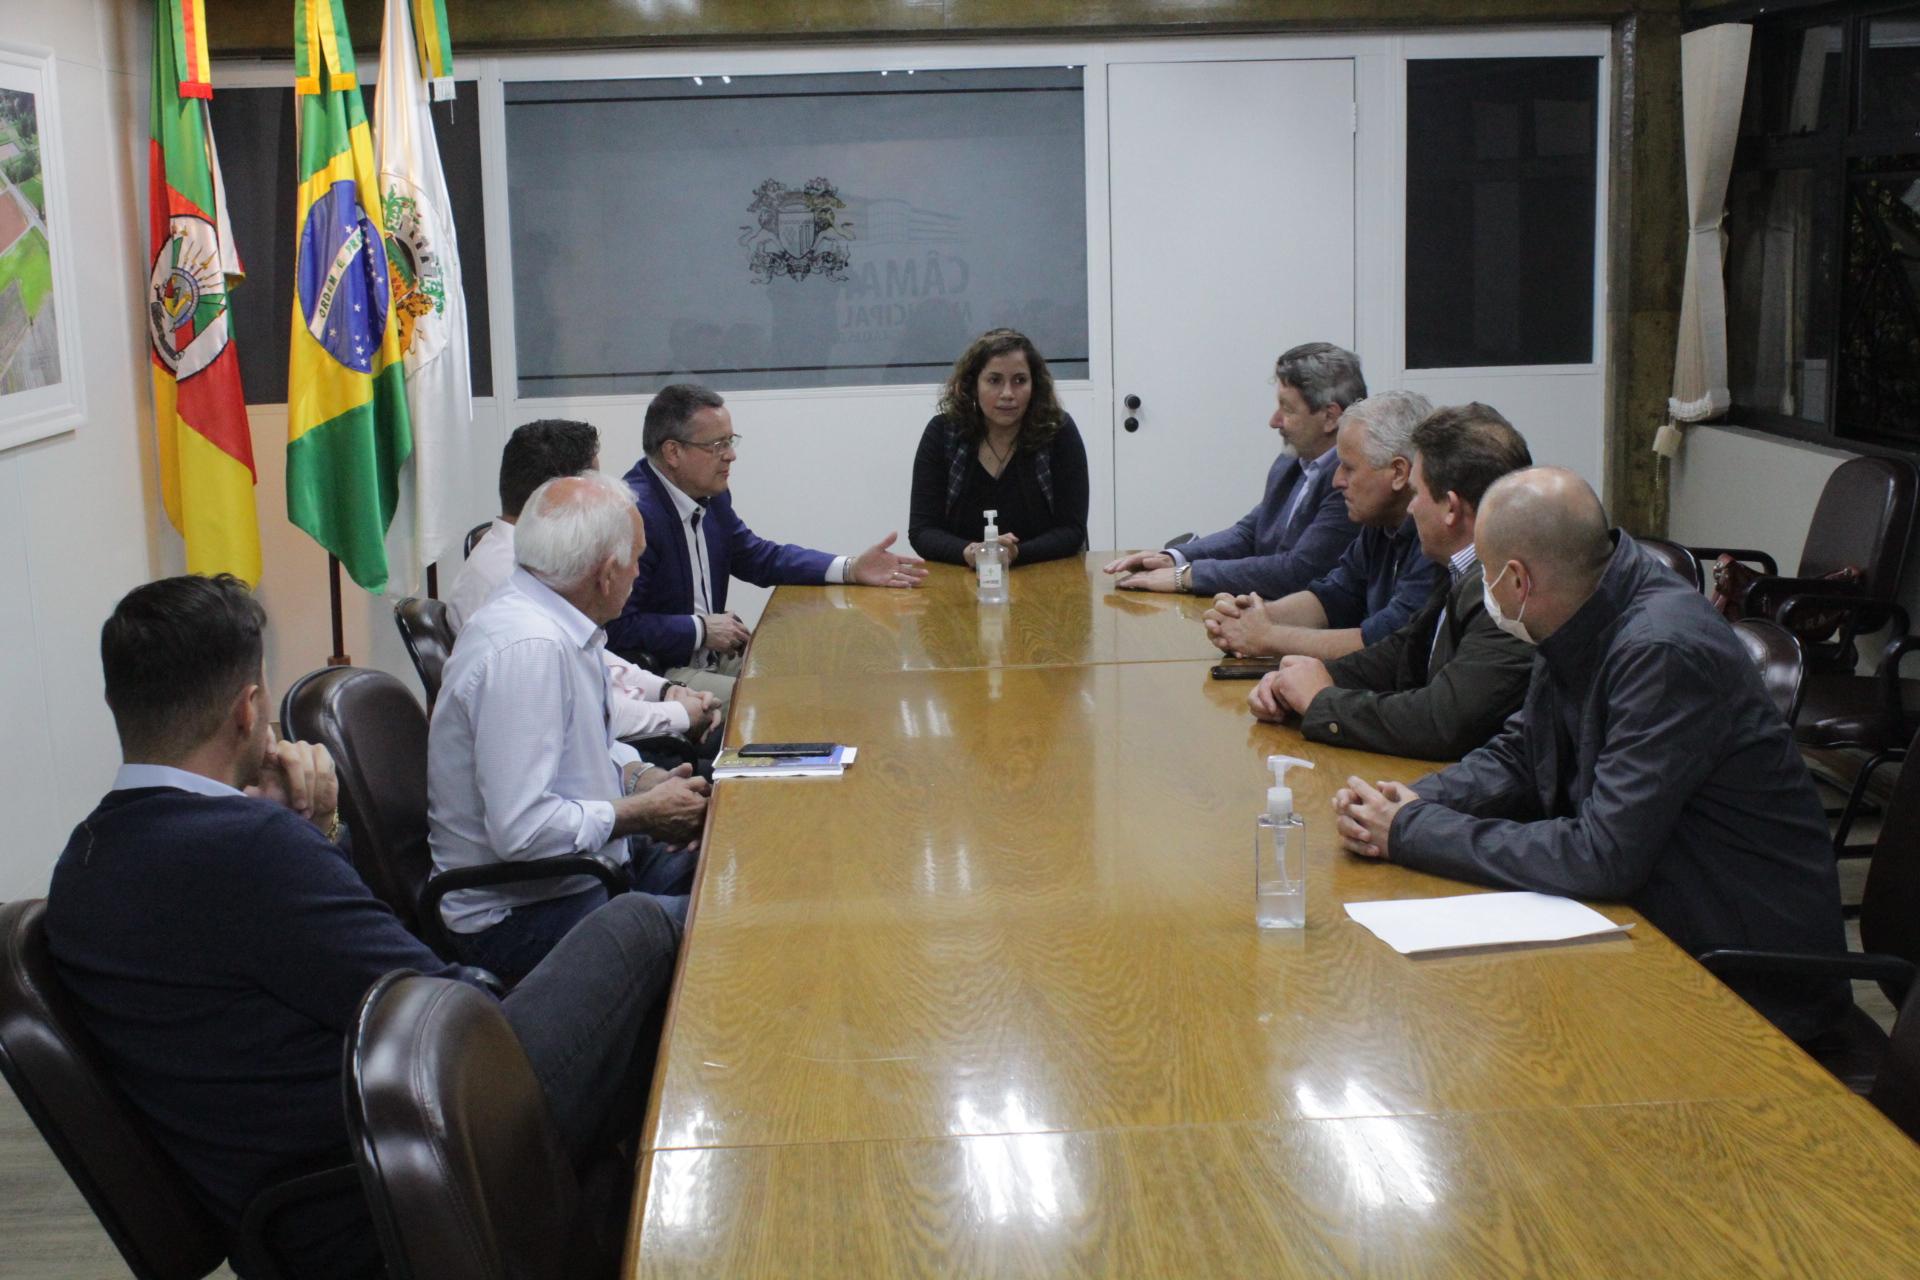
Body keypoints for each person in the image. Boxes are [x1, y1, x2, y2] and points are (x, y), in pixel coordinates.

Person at [46, 574, 680, 1280]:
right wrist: (319, 834)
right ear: (247, 710)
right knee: (641, 923)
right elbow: (441, 1005)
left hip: (305, 1197)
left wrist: (309, 837)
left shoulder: (81, 866)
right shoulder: (245, 849)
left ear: (121, 704)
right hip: (410, 1167)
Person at [1331, 468, 1850, 1043]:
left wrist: (1413, 832)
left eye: (1483, 572)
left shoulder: (1660, 651)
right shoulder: (1584, 606)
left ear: (1517, 580)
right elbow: (1524, 752)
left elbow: (1603, 855)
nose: (1480, 587)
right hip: (1657, 926)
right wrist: (1415, 801)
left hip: (1742, 982)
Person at [430, 472, 711, 984]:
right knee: (723, 924)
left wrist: (641, 779)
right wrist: (640, 813)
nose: (637, 574)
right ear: (605, 574)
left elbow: (588, 751)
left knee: (728, 864)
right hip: (519, 918)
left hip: (581, 874)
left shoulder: (558, 619)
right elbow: (522, 831)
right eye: (636, 561)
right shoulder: (528, 651)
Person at [1248, 403, 1534, 760]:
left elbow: (1441, 721)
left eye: (1417, 495)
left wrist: (1324, 702)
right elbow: (1400, 653)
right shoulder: (1463, 569)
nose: (1410, 510)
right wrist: (1306, 677)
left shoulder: (1507, 590)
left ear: (1451, 508)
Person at [611, 383, 928, 700]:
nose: (731, 455)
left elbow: (758, 557)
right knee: (780, 702)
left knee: (820, 673)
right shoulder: (634, 515)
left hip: (713, 660)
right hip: (662, 678)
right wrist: (701, 629)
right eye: (718, 445)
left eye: (731, 441)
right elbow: (618, 628)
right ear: (673, 452)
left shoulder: (709, 495)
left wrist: (851, 568)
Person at [447, 418, 719, 748]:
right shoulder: (518, 576)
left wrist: (663, 691)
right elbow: (585, 711)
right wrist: (675, 712)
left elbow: (594, 658)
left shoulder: (521, 561)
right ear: (563, 493)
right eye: (595, 485)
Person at [1104, 341, 1363, 596]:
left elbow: (1297, 572)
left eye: (1287, 409)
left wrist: (1188, 576)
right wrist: (1175, 558)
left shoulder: (1351, 481)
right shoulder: (1292, 461)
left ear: (1330, 417)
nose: (1274, 421)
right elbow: (1250, 533)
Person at [1203, 389, 1441, 661]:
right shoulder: (1380, 523)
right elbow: (1334, 597)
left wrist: (1266, 636)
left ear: (1398, 473)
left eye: (1349, 468)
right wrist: (1254, 616)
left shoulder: (1436, 539)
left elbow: (1383, 642)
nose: (1336, 480)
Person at [908, 328, 1090, 567]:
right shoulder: (943, 433)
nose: (1007, 394)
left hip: (1045, 574)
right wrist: (970, 552)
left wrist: (1016, 554)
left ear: (1034, 385)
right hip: (961, 576)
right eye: (994, 380)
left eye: (1020, 380)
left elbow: (1072, 530)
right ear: (973, 385)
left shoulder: (1057, 430)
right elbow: (922, 531)